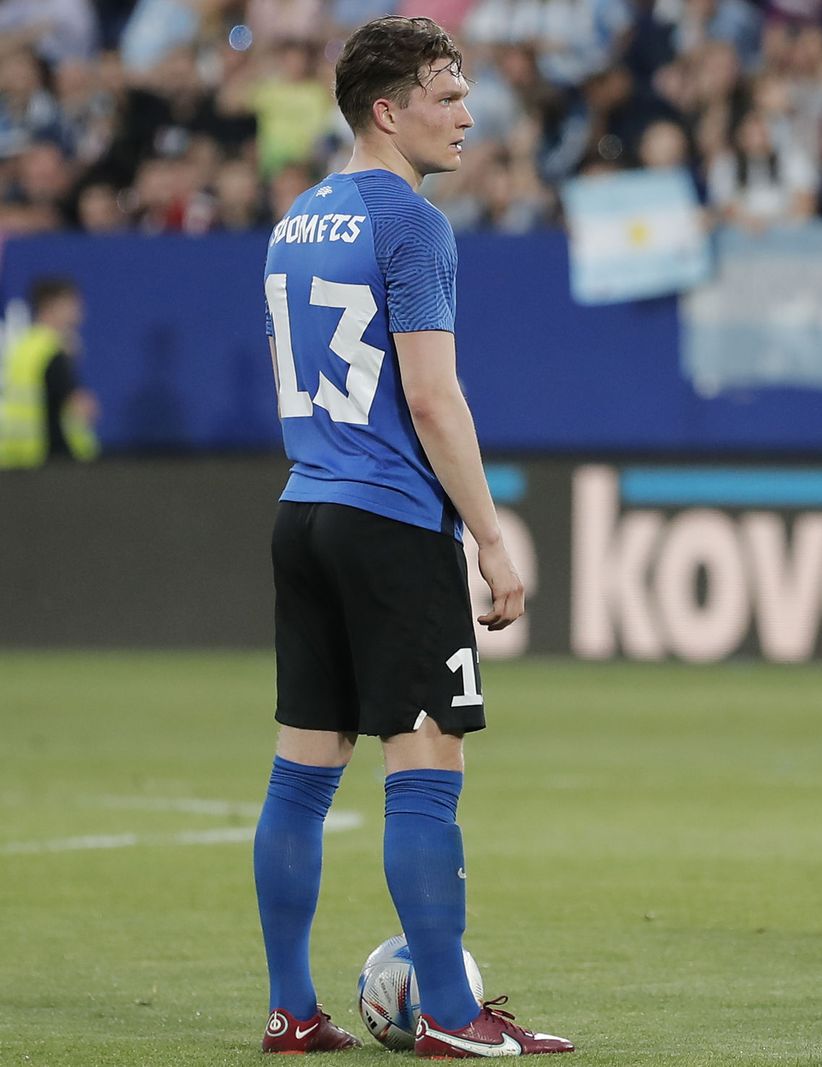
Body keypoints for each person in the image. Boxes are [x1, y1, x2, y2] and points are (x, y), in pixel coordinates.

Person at [253, 16, 572, 1057]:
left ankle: (293, 1010)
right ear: (388, 112)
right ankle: (452, 1014)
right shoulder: (413, 223)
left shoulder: (298, 216)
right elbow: (433, 399)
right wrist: (490, 537)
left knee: (302, 774)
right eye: (447, 95)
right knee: (426, 762)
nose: (468, 115)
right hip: (389, 516)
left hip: (304, 507)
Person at [0, 276, 98, 469]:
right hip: (51, 462)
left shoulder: (22, 346)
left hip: (13, 458)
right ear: (51, 306)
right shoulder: (52, 351)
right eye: (72, 305)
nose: (79, 313)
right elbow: (82, 407)